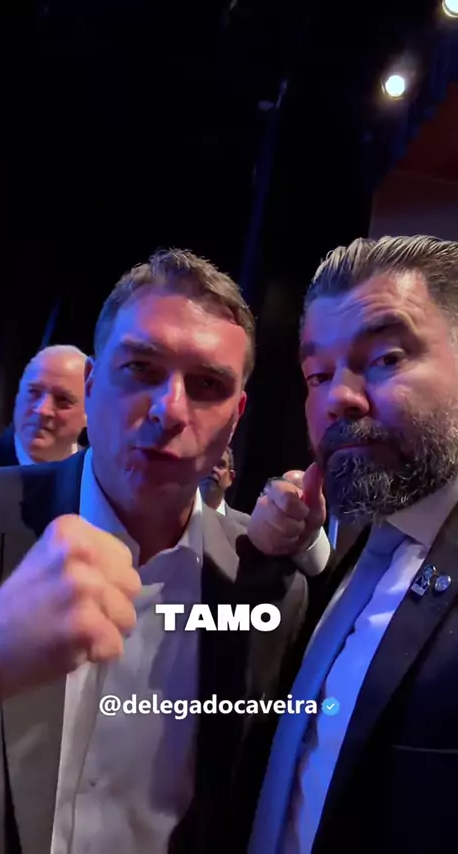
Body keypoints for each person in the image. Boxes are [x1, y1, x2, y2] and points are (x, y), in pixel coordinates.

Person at [0, 248, 330, 854]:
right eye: (140, 368)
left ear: (236, 417)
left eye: (208, 385)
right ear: (92, 386)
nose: (169, 410)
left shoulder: (264, 585)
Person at [248, 235, 458, 854]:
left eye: (387, 357)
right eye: (317, 374)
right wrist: (287, 557)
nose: (337, 397)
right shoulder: (359, 539)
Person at [0, 344, 88, 467]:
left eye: (62, 399)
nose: (42, 409)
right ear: (18, 395)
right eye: (34, 392)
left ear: (89, 413)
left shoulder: (98, 473)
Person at [199, 445, 247, 523]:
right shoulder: (178, 509)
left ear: (230, 477)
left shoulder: (244, 525)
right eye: (208, 462)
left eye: (220, 465)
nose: (213, 469)